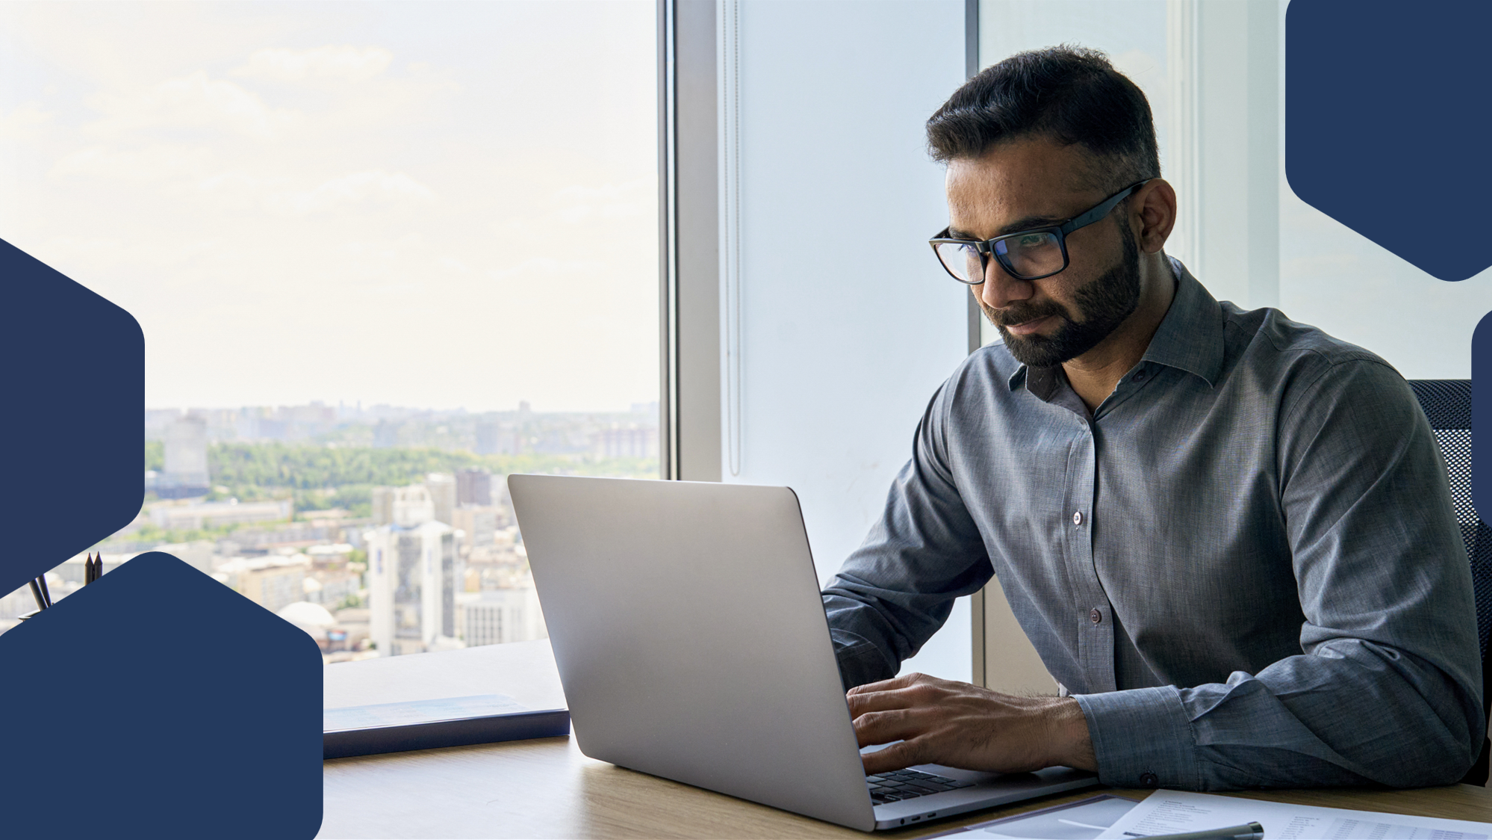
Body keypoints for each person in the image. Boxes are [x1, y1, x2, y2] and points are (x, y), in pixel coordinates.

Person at [822, 45, 1485, 790]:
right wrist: (760, 677)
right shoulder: (975, 405)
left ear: (1149, 218)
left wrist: (1055, 728)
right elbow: (874, 602)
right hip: (1103, 814)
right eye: (971, 250)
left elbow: (1412, 703)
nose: (996, 291)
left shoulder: (1328, 400)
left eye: (1033, 242)